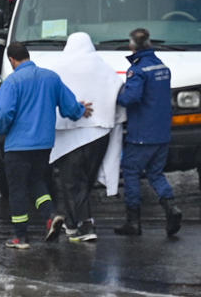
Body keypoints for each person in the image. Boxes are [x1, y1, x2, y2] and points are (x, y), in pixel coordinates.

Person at [0, 41, 93, 249]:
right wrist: (81, 110)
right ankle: (51, 215)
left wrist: (2, 130)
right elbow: (69, 107)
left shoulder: (12, 82)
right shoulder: (51, 78)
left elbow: (2, 112)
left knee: (17, 189)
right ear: (28, 55)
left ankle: (20, 237)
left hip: (18, 146)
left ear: (11, 60)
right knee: (36, 182)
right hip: (43, 145)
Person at [49, 32, 127, 242]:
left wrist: (75, 109)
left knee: (70, 181)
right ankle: (72, 223)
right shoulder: (102, 67)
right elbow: (118, 91)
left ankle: (85, 224)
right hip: (99, 133)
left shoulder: (59, 67)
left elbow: (49, 95)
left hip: (67, 134)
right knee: (85, 180)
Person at [115, 28, 182, 237]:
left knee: (131, 171)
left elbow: (131, 98)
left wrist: (115, 95)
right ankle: (171, 207)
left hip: (141, 133)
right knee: (155, 173)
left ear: (132, 45)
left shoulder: (138, 70)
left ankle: (133, 222)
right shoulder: (161, 67)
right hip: (162, 132)